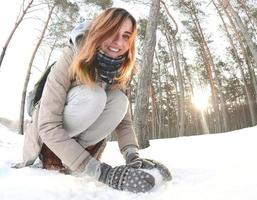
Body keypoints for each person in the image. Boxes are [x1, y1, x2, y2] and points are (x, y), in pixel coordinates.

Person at [14, 8, 171, 193]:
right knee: (95, 96)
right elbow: (47, 126)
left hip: (79, 149)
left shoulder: (118, 69)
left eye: (126, 36)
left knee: (120, 101)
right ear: (99, 31)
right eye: (112, 32)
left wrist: (132, 156)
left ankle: (73, 160)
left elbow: (124, 122)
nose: (118, 42)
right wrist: (102, 173)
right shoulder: (71, 56)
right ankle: (53, 158)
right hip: (46, 143)